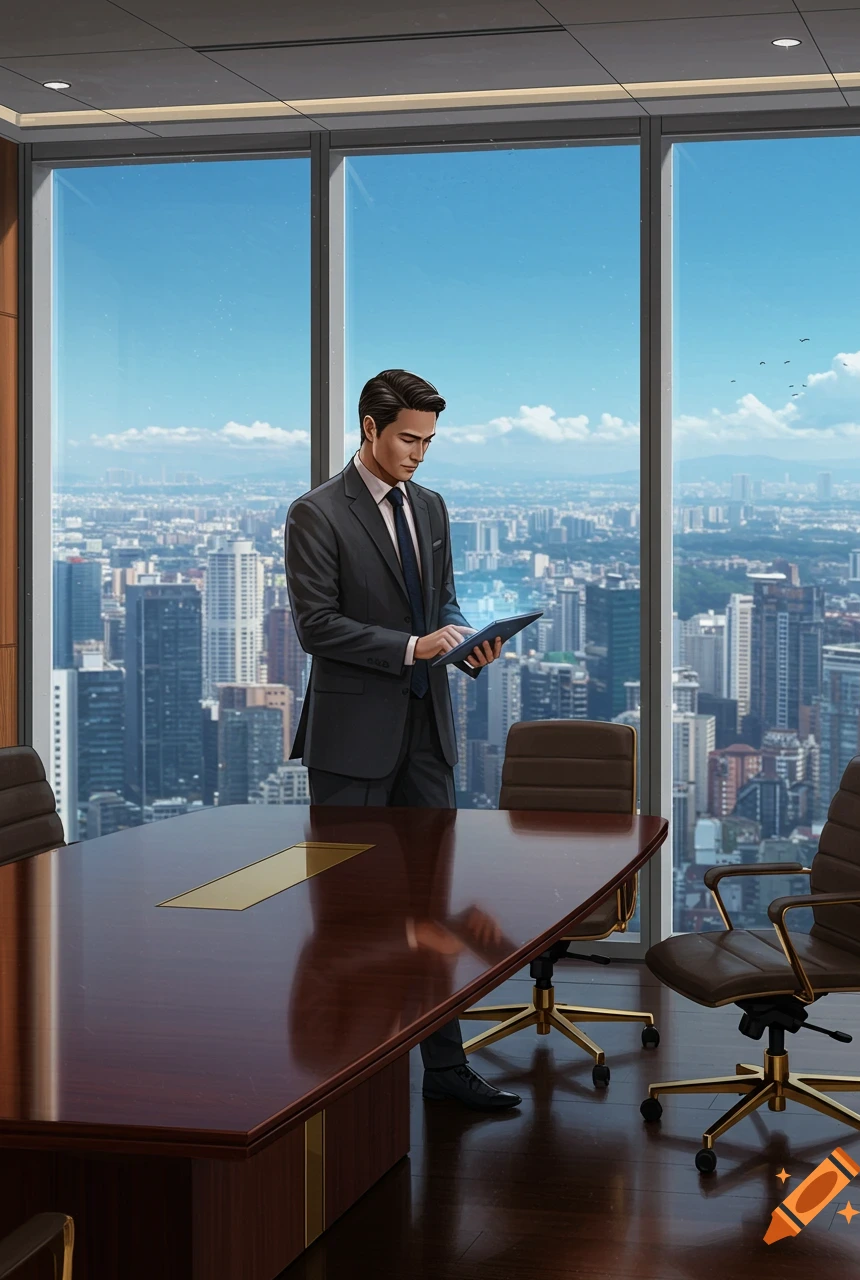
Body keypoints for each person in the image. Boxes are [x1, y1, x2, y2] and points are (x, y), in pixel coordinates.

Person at [285, 368, 520, 1111]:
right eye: (409, 439)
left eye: (429, 441)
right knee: (351, 912)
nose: (420, 454)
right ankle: (350, 1069)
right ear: (369, 429)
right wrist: (410, 647)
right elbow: (314, 626)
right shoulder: (316, 513)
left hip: (427, 733)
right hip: (352, 741)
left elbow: (440, 600)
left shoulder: (433, 507)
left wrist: (462, 641)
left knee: (433, 908)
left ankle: (445, 1070)